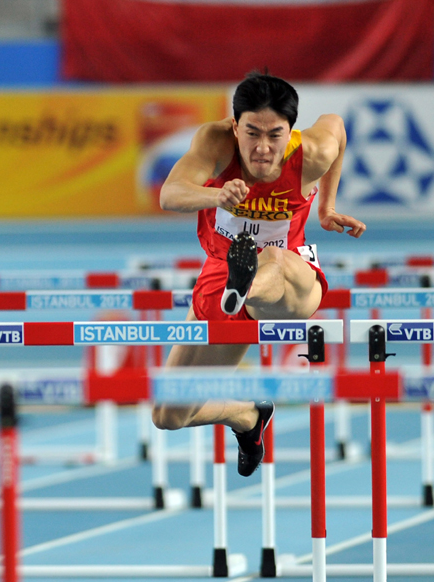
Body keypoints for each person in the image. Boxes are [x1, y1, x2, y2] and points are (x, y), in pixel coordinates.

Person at [153, 72, 365, 476]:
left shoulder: (312, 152)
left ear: (291, 131)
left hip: (293, 278)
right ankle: (247, 416)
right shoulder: (214, 143)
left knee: (273, 259)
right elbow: (170, 193)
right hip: (219, 276)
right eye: (251, 133)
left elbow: (336, 124)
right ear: (235, 127)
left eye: (275, 135)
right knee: (168, 414)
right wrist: (217, 193)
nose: (263, 148)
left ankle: (247, 283)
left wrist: (326, 206)